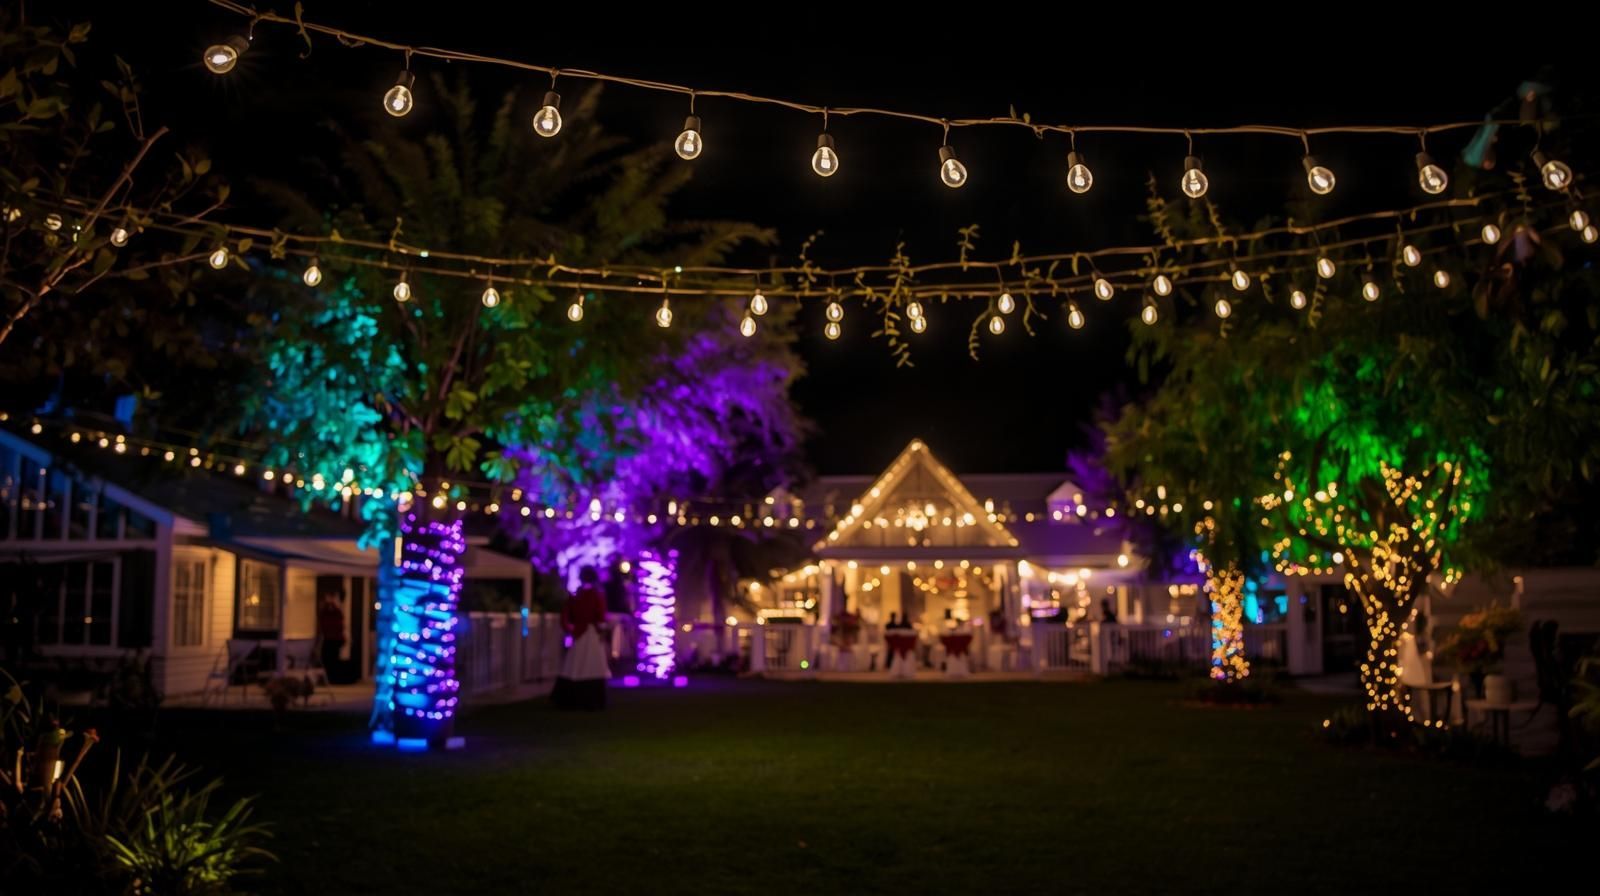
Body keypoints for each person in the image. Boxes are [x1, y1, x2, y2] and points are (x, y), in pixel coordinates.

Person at [552, 566, 610, 710]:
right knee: (593, 665)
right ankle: (592, 700)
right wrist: (602, 630)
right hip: (591, 633)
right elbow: (601, 616)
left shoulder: (576, 595)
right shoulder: (596, 595)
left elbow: (565, 616)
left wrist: (571, 629)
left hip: (579, 633)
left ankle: (570, 699)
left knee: (575, 665)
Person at [316, 593, 345, 679]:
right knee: (327, 657)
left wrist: (331, 603)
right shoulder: (325, 613)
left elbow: (339, 617)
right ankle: (330, 676)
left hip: (334, 639)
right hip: (329, 638)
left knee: (332, 658)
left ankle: (333, 676)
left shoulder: (336, 613)